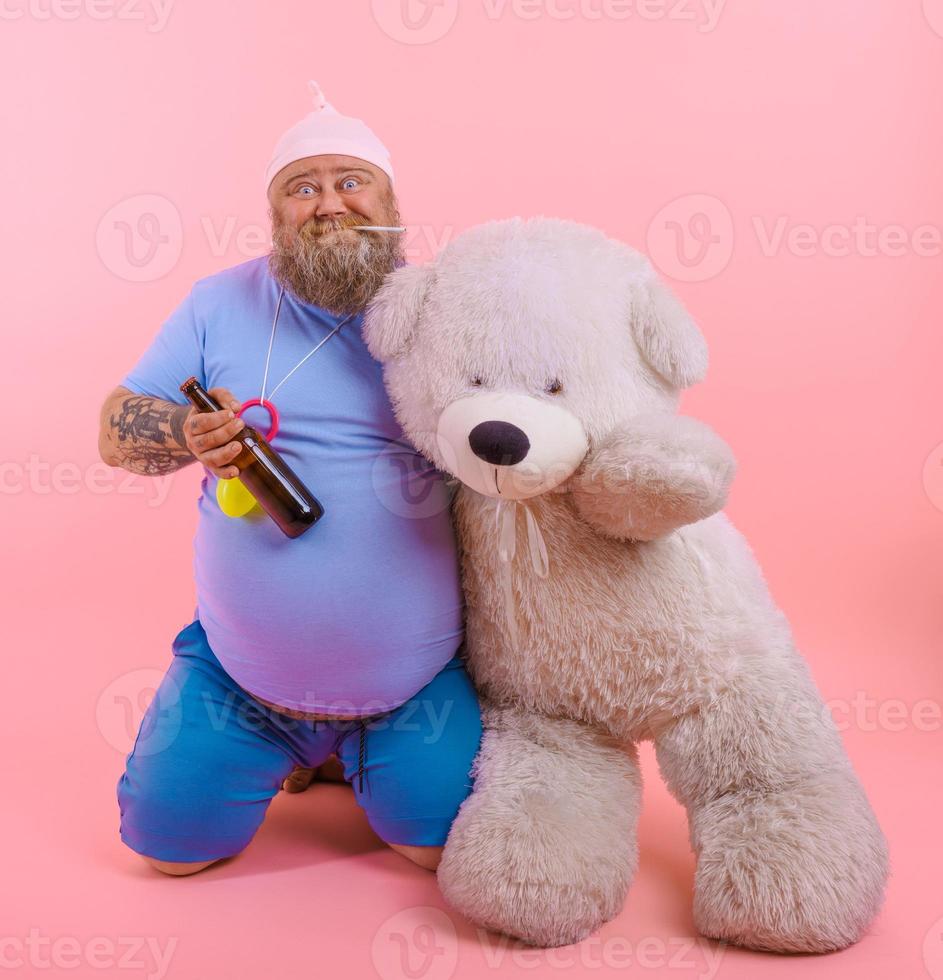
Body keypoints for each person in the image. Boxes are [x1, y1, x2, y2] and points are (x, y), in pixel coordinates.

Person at [98, 81, 480, 876]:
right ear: (276, 216)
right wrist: (183, 432)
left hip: (410, 685)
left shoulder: (447, 309)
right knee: (166, 855)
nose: (328, 204)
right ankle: (282, 745)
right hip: (242, 679)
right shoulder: (218, 303)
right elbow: (115, 430)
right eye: (301, 188)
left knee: (433, 850)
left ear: (390, 200)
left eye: (350, 181)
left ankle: (345, 752)